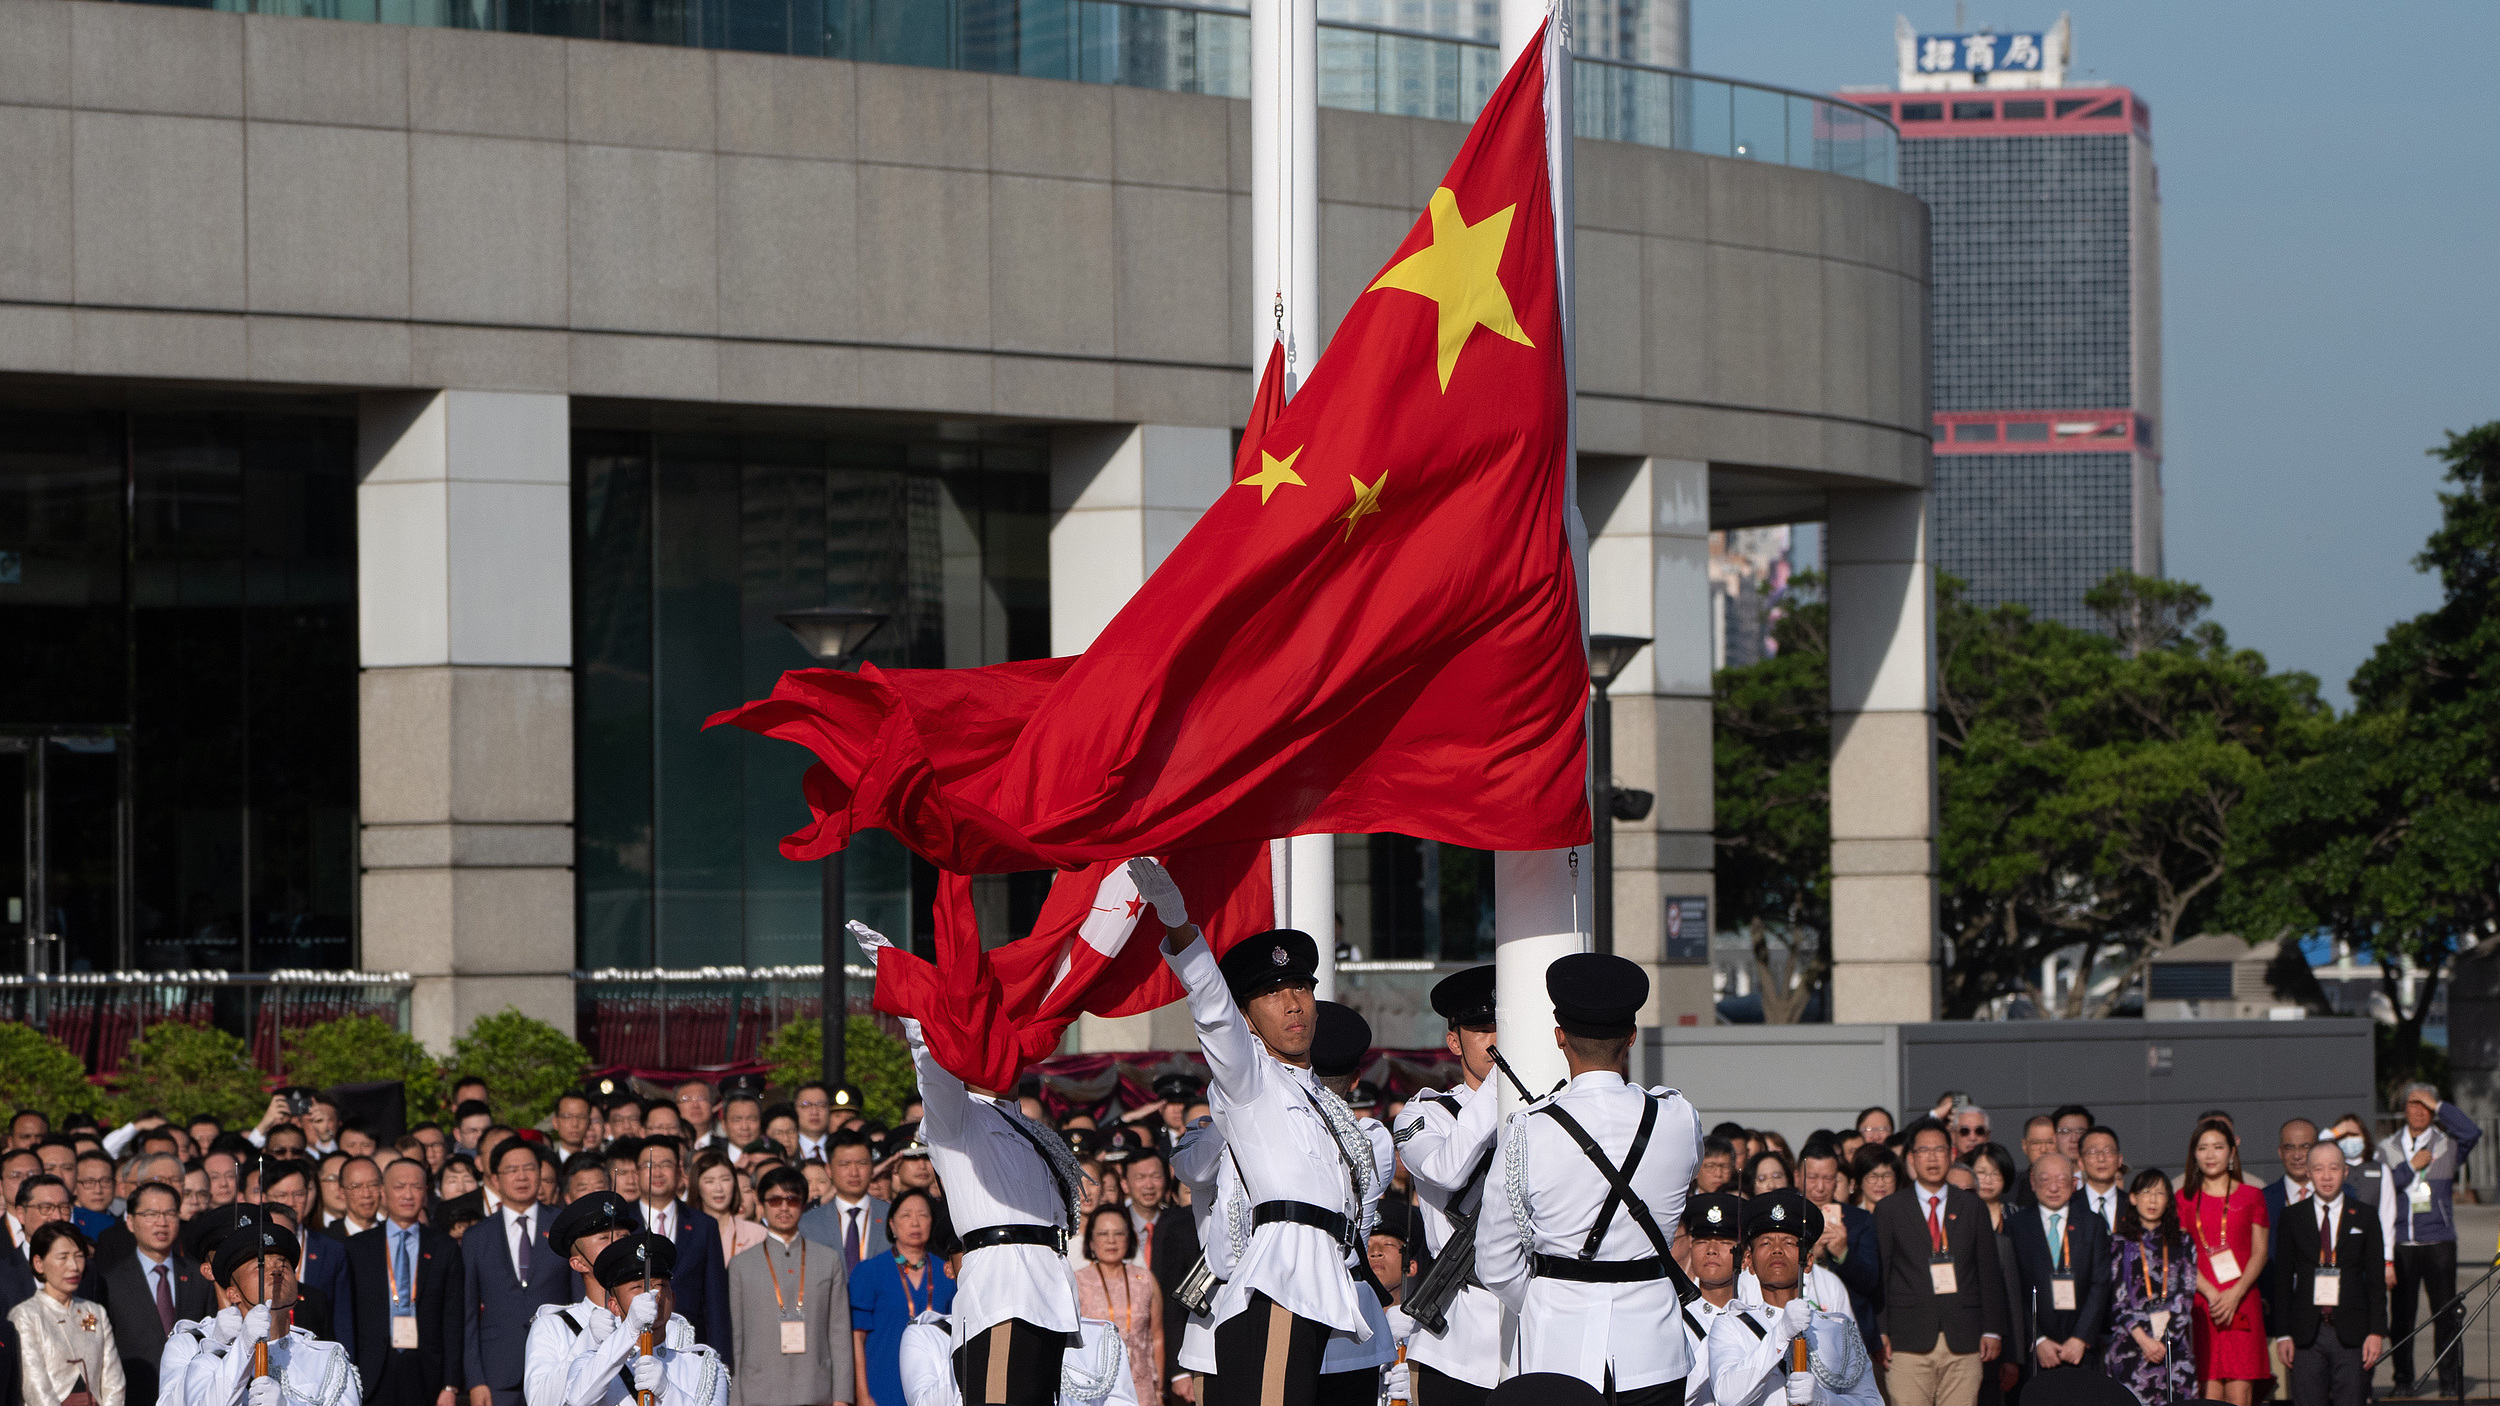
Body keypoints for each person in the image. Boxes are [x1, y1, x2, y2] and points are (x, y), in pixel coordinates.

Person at [1140, 861, 1378, 1406]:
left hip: (1321, 1284)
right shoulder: (1249, 1081)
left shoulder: (1320, 1095)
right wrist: (1178, 923)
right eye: (1273, 994)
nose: (1294, 1003)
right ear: (1248, 1018)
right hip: (1277, 1284)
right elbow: (1213, 1012)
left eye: (1301, 988)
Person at [1476, 952, 1702, 1405]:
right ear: (1632, 1037)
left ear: (1560, 1038)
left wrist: (1556, 1293)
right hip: (1654, 1350)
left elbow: (1496, 1262)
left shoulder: (1529, 1129)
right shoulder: (1678, 1118)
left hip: (1558, 1351)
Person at [877, 943, 1081, 1406]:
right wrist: (917, 1009)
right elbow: (935, 1074)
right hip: (1000, 1293)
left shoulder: (1031, 1129)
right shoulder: (960, 1119)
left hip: (1047, 1288)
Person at [1395, 964, 1504, 1406]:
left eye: (1504, 1028)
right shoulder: (1426, 1115)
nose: (1496, 1040)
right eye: (1482, 1029)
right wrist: (1503, 1080)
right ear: (1455, 1040)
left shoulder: (1547, 1111)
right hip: (1456, 1339)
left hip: (1536, 1326)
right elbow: (1446, 1171)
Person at [1871, 1118, 2005, 1406]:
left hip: (1964, 1338)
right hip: (1907, 1339)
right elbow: (1880, 1274)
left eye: (1939, 1150)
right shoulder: (1890, 1209)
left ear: (1952, 1154)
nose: (1932, 1158)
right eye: (1924, 1151)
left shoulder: (1972, 1207)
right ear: (1911, 1158)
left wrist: (1992, 1328)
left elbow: (1989, 1272)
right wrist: (1879, 1330)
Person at [1708, 1191, 1881, 1406]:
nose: (1777, 1250)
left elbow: (1872, 1402)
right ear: (1749, 1262)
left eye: (1789, 1243)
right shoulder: (1731, 1324)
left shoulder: (1838, 1329)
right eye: (1765, 1243)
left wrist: (1825, 1400)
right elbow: (1727, 1396)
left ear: (1808, 1262)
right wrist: (1781, 1334)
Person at [2379, 1083, 2479, 1397]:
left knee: (2446, 1315)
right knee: (2402, 1319)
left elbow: (2471, 1132)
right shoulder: (2387, 1147)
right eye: (2413, 1102)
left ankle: (2449, 1384)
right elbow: (2381, 1187)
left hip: (2439, 1242)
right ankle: (2403, 1381)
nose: (2419, 1109)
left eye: (2425, 1104)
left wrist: (2440, 1108)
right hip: (2403, 1242)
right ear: (2404, 1108)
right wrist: (2411, 1168)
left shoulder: (2446, 1144)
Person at [2266, 1141, 2384, 1406]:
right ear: (2308, 1172)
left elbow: (2376, 1281)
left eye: (2334, 1168)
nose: (2326, 1176)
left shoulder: (2364, 1215)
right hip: (2307, 1331)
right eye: (2318, 1169)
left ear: (2345, 1172)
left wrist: (2376, 1332)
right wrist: (2283, 1333)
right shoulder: (2292, 1217)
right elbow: (2282, 1280)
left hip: (2352, 1331)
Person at [194, 1222, 361, 1406]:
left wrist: (287, 1404)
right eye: (261, 1266)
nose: (275, 1272)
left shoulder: (327, 1358)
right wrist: (242, 1348)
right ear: (233, 1293)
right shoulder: (210, 1358)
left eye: (283, 1266)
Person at [345, 1158, 463, 1406]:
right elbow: (348, 1317)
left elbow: (453, 1317)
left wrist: (450, 1384)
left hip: (427, 1371)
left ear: (426, 1193)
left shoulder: (444, 1247)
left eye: (416, 1187)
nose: (408, 1195)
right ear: (383, 1193)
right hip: (372, 1369)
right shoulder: (357, 1247)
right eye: (399, 1187)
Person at [727, 1168, 850, 1406]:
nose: (784, 1208)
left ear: (803, 1205)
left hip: (816, 1390)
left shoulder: (828, 1259)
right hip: (758, 1393)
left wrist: (842, 1397)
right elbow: (736, 1338)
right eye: (775, 1200)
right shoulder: (741, 1265)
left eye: (792, 1200)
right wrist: (736, 1400)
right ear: (761, 1205)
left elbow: (839, 1333)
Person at [558, 1235, 728, 1406]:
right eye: (636, 1287)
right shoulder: (592, 1362)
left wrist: (669, 1392)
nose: (652, 1295)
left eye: (659, 1286)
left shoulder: (701, 1366)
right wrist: (630, 1328)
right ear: (614, 1306)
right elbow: (577, 1399)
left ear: (673, 1299)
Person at [462, 1140, 567, 1406]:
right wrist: (475, 1380)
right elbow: (467, 1314)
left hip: (558, 1366)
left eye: (529, 1168)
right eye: (512, 1170)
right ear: (495, 1179)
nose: (521, 1176)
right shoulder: (477, 1236)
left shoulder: (563, 1226)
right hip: (497, 1374)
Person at [516, 1193, 641, 1406]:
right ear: (578, 1263)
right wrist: (587, 1340)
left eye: (623, 1237)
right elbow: (540, 1401)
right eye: (604, 1239)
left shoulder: (665, 1320)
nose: (618, 1247)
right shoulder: (553, 1326)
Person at [94, 1181, 211, 1406]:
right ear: (130, 1221)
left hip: (193, 1396)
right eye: (151, 1214)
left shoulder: (199, 1276)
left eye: (169, 1213)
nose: (162, 1222)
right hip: (136, 1396)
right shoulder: (110, 1282)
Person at [2180, 1116, 2268, 1405]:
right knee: (2207, 1389)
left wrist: (2234, 1294)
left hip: (2242, 1301)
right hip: (2203, 1304)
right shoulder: (2182, 1199)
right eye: (2202, 1147)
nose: (2210, 1154)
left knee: (2239, 1392)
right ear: (2194, 1154)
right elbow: (2182, 1256)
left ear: (2231, 1152)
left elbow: (2260, 1253)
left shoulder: (2251, 1195)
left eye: (2217, 1147)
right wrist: (2213, 1294)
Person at [2007, 1152, 2110, 1383]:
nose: (2053, 1187)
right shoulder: (2016, 1225)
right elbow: (2013, 1291)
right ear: (2032, 1182)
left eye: (2061, 1180)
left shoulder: (2092, 1224)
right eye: (2045, 1180)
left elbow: (2100, 1284)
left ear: (2074, 1184)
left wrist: (2080, 1338)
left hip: (2082, 1349)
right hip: (2036, 1351)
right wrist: (2037, 1339)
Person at [630, 1143, 729, 1360]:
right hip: (632, 1346)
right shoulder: (622, 1224)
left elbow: (715, 1301)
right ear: (636, 1173)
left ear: (680, 1171)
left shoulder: (704, 1225)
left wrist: (720, 1360)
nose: (657, 1172)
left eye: (665, 1164)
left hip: (691, 1347)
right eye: (649, 1165)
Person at [2106, 1169, 2196, 1404]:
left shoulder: (2183, 1242)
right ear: (2133, 1198)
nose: (2153, 1200)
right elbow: (2118, 1300)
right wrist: (2145, 1341)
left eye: (2159, 1193)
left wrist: (2165, 1340)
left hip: (2172, 1348)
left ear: (2168, 1200)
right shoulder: (2118, 1243)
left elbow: (2186, 1297)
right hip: (2130, 1345)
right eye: (2146, 1192)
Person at [12, 1223, 124, 1406]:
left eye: (79, 1256)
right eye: (62, 1258)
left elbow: (113, 1378)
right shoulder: (26, 1315)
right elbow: (34, 1385)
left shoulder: (94, 1312)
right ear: (39, 1263)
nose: (74, 1266)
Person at [1797, 1147, 1880, 1363]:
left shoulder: (1859, 1220)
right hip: (1798, 1329)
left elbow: (1872, 1281)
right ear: (1798, 1177)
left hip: (1849, 1334)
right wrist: (1809, 1254)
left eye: (1828, 1178)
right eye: (1812, 1177)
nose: (1820, 1187)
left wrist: (1843, 1253)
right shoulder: (1786, 1218)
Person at [1072, 1207, 1158, 1406]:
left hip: (1141, 1387)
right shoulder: (1077, 1282)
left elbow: (1158, 1336)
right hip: (1094, 1386)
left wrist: (1159, 1389)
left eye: (1119, 1233)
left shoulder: (1145, 1279)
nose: (1111, 1240)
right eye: (1103, 1234)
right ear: (1091, 1241)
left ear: (1129, 1237)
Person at [1679, 1192, 1746, 1406]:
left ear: (1744, 1254)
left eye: (1724, 1241)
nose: (1711, 1251)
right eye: (1702, 1241)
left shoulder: (1754, 1316)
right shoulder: (1673, 1318)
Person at [798, 1139, 888, 1275]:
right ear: (829, 1170)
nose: (854, 1172)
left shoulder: (891, 1216)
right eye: (844, 1164)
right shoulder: (808, 1223)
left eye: (861, 1163)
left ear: (872, 1167)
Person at [687, 1156, 763, 1272]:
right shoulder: (686, 1231)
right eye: (709, 1181)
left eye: (725, 1179)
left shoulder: (757, 1234)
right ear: (697, 1186)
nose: (719, 1188)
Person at [2076, 1129, 2125, 1232]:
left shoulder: (2133, 1206)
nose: (2101, 1158)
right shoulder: (2069, 1205)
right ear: (2081, 1163)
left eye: (2108, 1151)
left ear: (2119, 1160)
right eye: (2092, 1152)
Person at [1851, 1149, 1898, 1216]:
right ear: (1860, 1181)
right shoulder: (1852, 1217)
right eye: (1873, 1177)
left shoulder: (1906, 1215)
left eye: (1887, 1176)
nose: (1880, 1184)